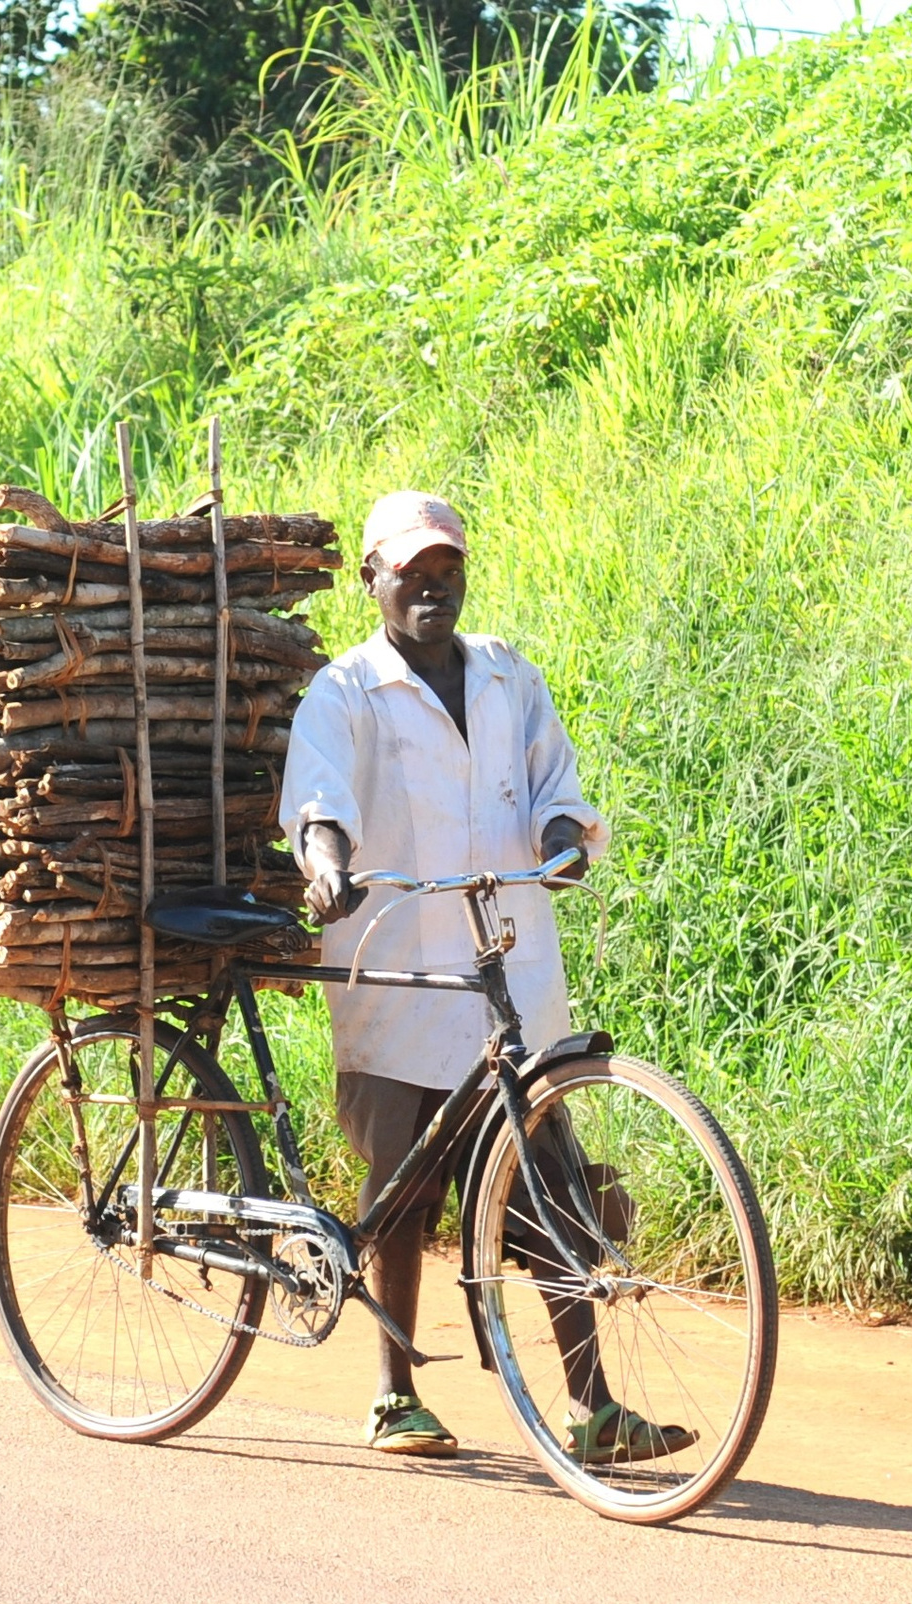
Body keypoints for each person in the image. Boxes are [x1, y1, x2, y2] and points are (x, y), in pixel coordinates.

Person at [280, 490, 692, 1462]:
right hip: (397, 972)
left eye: (447, 568)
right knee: (404, 1184)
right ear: (370, 578)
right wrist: (326, 862)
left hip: (509, 966)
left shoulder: (508, 677)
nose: (432, 585)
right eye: (411, 571)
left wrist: (560, 833)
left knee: (549, 1185)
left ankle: (595, 1408)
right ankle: (393, 1394)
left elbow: (557, 782)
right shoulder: (345, 692)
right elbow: (318, 799)